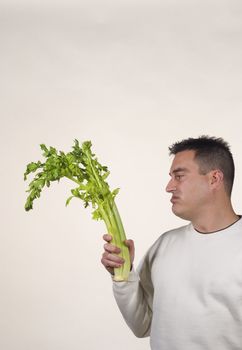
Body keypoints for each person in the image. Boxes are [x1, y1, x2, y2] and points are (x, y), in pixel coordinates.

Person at [101, 136, 242, 350]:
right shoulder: (165, 245)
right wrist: (123, 276)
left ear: (214, 179)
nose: (169, 187)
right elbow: (142, 325)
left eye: (179, 176)